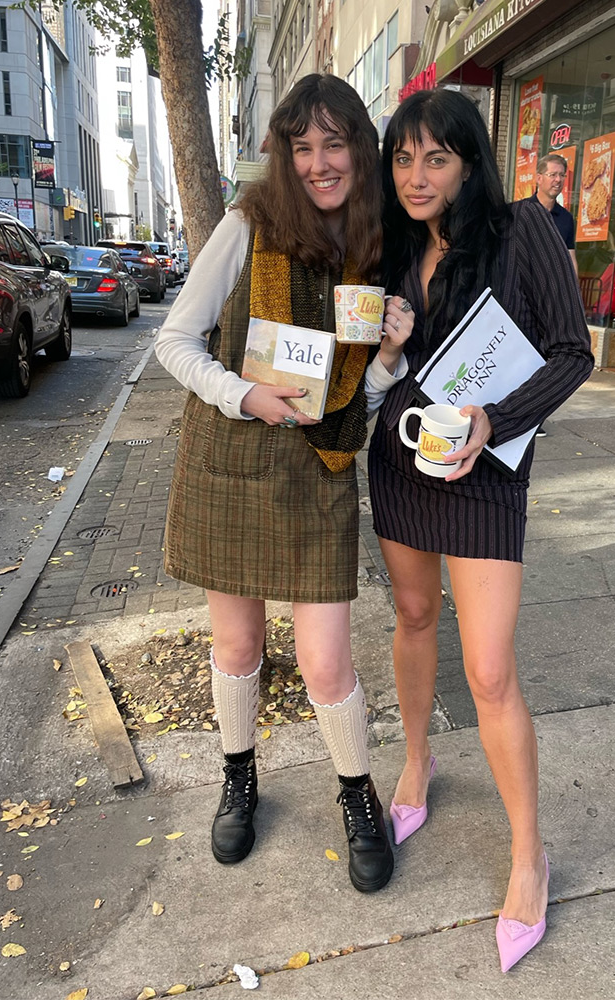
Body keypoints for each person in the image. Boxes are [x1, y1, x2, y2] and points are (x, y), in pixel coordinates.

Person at [155, 74, 413, 893]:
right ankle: (239, 778)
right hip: (233, 459)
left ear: (359, 150)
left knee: (325, 662)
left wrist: (385, 362)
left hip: (320, 466)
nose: (317, 163)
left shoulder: (374, 247)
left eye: (334, 144)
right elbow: (174, 340)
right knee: (236, 648)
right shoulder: (248, 224)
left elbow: (356, 408)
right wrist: (244, 394)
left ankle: (356, 793)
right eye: (301, 147)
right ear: (281, 152)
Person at [368, 89, 593, 970]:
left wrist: (492, 422)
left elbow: (573, 350)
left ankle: (529, 855)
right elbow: (378, 373)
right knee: (415, 620)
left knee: (491, 669)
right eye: (403, 159)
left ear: (469, 161)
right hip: (403, 467)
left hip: (486, 474)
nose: (417, 177)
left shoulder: (520, 231)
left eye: (436, 158)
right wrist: (383, 356)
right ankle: (418, 764)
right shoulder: (389, 247)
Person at [527, 152, 578, 437]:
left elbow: (570, 258)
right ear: (538, 177)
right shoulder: (520, 212)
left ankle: (534, 418)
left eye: (561, 175)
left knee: (544, 359)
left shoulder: (565, 219)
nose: (557, 180)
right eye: (552, 174)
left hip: (552, 300)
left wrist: (574, 297)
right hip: (523, 297)